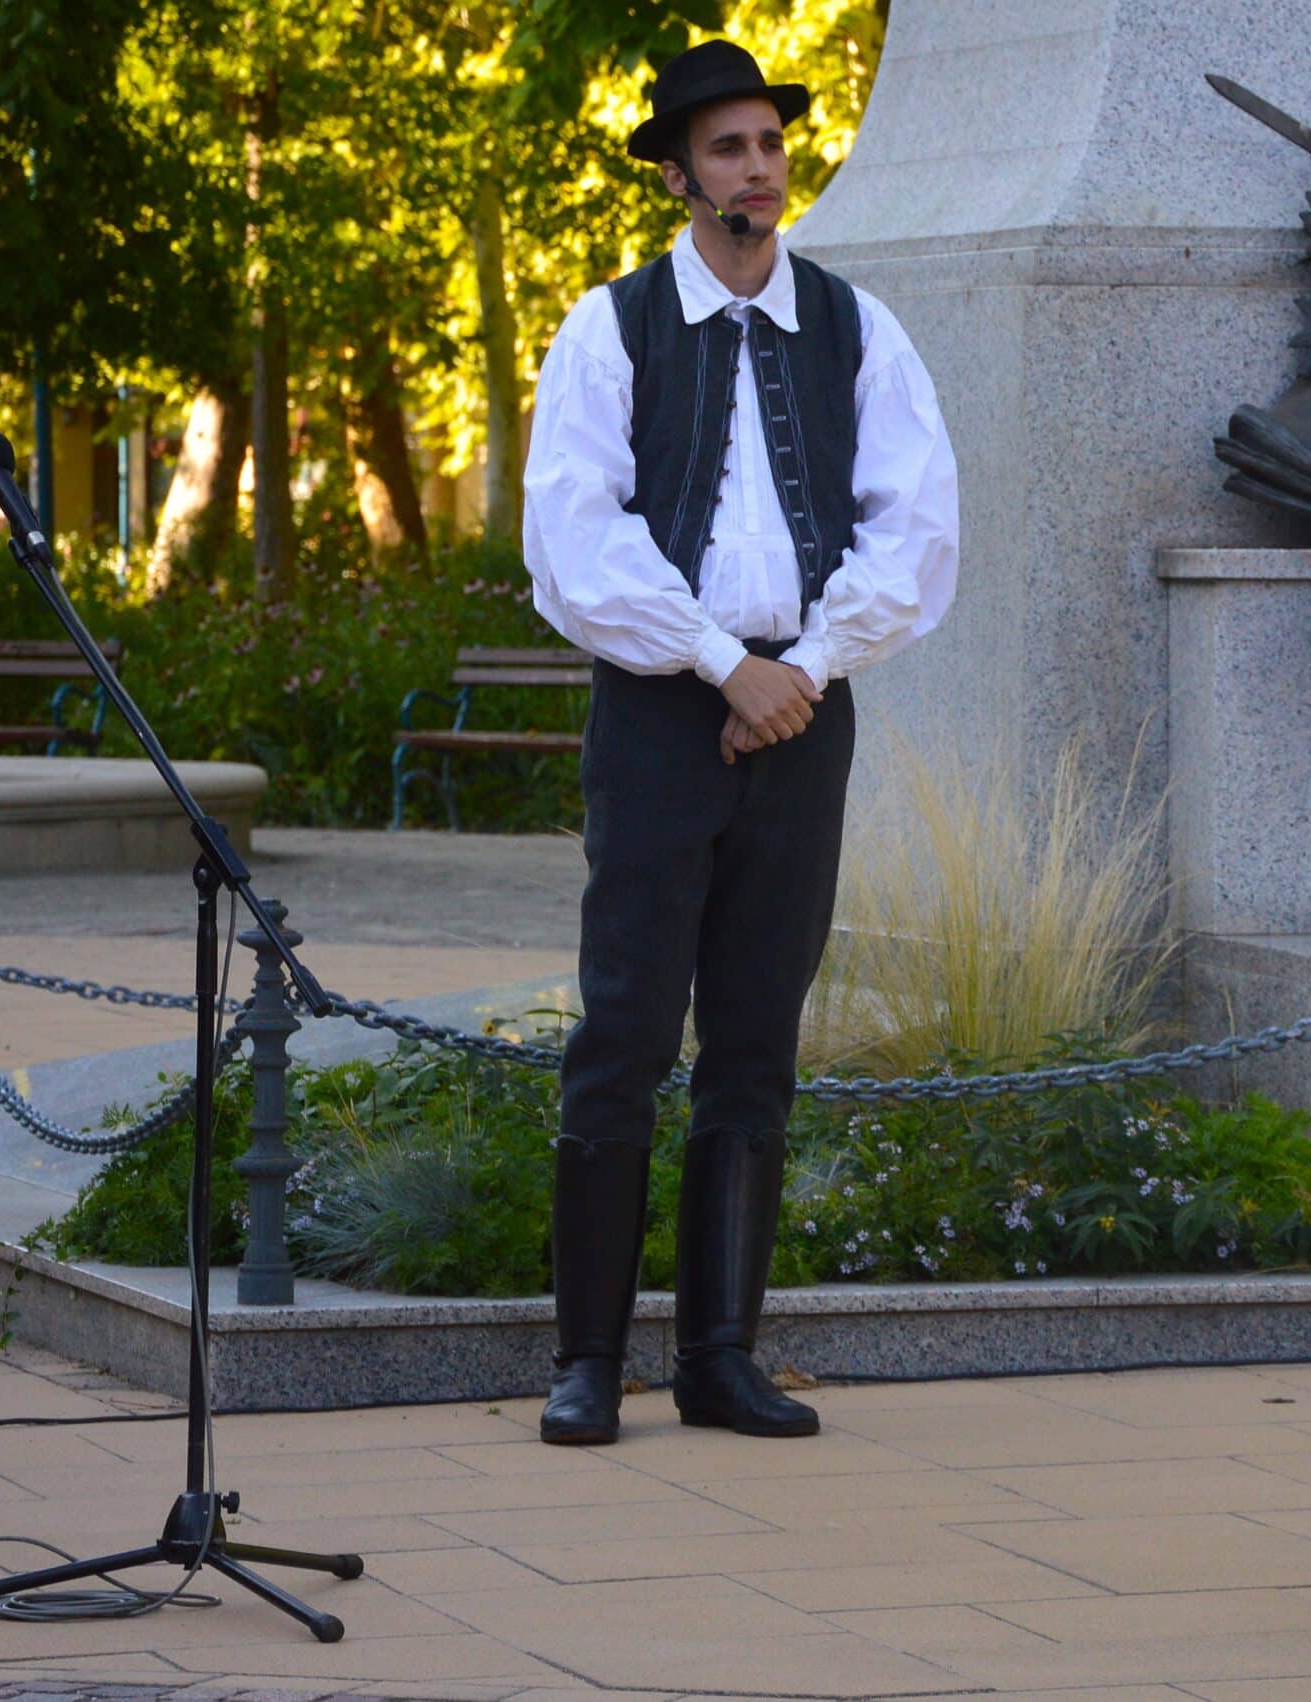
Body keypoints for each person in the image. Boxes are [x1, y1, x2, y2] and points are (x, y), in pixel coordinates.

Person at [521, 40, 958, 1446]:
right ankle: (590, 1362)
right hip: (662, 711)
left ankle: (719, 1358)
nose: (758, 168)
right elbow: (573, 539)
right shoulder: (612, 327)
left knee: (758, 1037)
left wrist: (802, 669)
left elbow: (916, 526)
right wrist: (724, 664)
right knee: (626, 1028)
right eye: (727, 148)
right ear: (678, 174)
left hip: (805, 713)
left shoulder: (857, 328)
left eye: (770, 143)